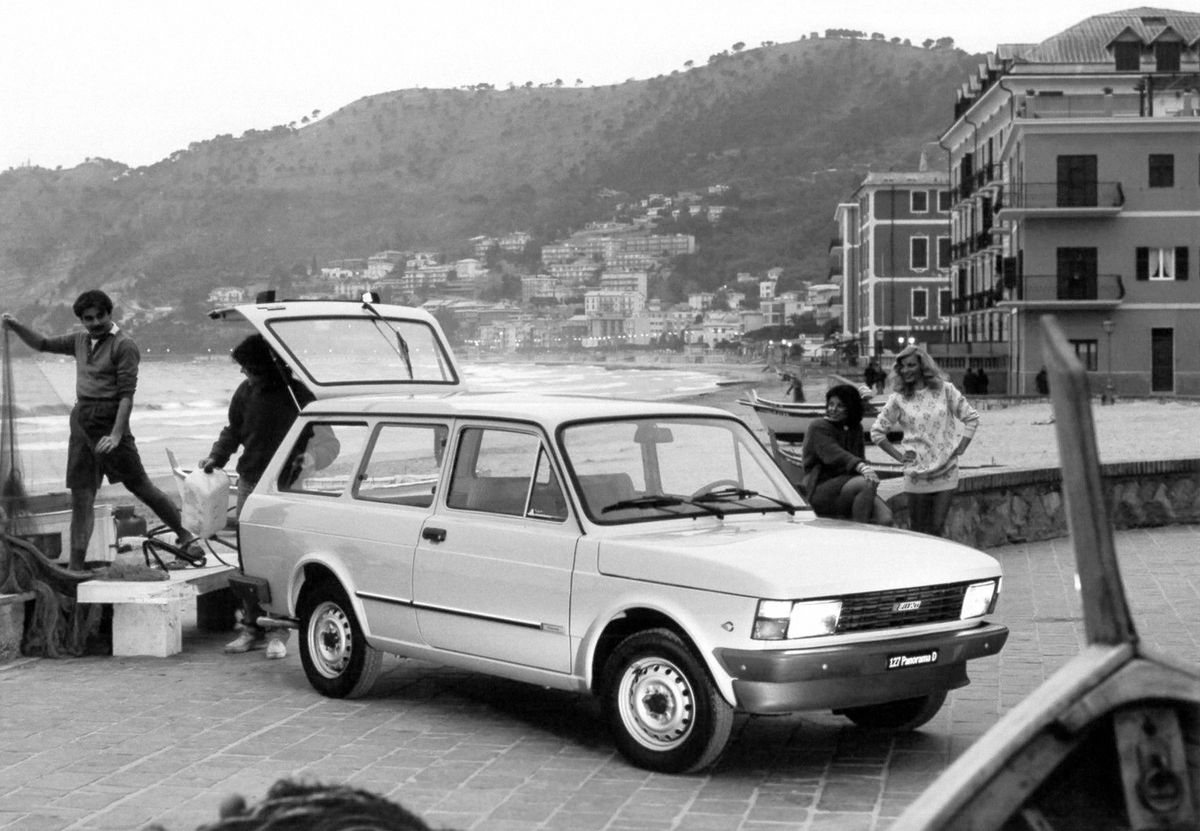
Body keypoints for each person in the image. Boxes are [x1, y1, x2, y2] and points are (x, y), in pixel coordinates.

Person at [2, 291, 201, 570]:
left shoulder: (124, 345)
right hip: (82, 419)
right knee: (82, 496)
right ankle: (76, 565)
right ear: (81, 320)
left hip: (110, 419)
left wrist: (117, 435)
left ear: (110, 313)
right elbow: (43, 344)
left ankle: (185, 535)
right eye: (88, 318)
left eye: (100, 316)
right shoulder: (79, 340)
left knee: (139, 485)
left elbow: (126, 396)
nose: (95, 323)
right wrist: (16, 325)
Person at [199, 334, 312, 659]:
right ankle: (251, 628)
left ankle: (278, 631)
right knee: (248, 559)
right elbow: (232, 430)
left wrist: (312, 459)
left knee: (280, 557)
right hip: (250, 480)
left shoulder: (297, 395)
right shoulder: (245, 393)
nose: (244, 374)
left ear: (269, 367)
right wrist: (216, 457)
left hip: (287, 486)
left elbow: (326, 440)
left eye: (249, 368)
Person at [870, 344, 980, 537]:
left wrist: (961, 447)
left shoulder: (946, 390)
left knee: (937, 528)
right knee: (919, 532)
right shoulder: (898, 398)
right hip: (916, 474)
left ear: (923, 366)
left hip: (946, 470)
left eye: (911, 365)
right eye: (902, 366)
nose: (906, 370)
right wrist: (899, 456)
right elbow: (877, 432)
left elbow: (971, 418)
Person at [799, 384, 892, 525]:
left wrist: (864, 466)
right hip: (819, 486)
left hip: (849, 484)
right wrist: (861, 466)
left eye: (840, 406)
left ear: (850, 408)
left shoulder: (856, 428)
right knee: (866, 482)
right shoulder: (818, 426)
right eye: (830, 404)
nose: (833, 409)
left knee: (886, 518)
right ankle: (860, 530)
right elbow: (833, 453)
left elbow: (859, 456)